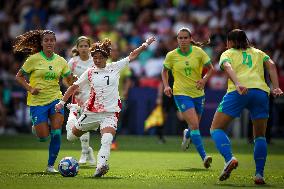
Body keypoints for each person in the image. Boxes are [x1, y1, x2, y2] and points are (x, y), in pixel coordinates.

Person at [55, 36, 156, 177]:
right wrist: (62, 103)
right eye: (94, 57)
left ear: (106, 57)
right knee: (71, 137)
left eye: (100, 58)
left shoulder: (114, 67)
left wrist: (146, 44)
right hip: (91, 113)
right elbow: (73, 87)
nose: (97, 60)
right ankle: (73, 112)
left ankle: (100, 167)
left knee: (107, 140)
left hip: (110, 113)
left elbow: (132, 55)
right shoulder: (90, 72)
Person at [210, 29, 283, 185]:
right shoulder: (257, 52)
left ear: (230, 42)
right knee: (260, 136)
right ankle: (259, 175)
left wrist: (237, 83)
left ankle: (229, 158)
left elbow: (228, 67)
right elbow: (271, 64)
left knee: (216, 128)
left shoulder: (228, 53)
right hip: (261, 93)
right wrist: (275, 87)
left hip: (239, 91)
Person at [14, 30, 73, 173]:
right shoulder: (33, 59)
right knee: (43, 136)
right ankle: (37, 128)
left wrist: (73, 79)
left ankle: (50, 166)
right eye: (46, 40)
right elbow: (19, 76)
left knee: (57, 132)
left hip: (55, 99)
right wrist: (30, 88)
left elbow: (68, 80)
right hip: (37, 102)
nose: (49, 42)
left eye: (52, 40)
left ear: (55, 42)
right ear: (41, 43)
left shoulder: (61, 61)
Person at [161, 27, 214, 169]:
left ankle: (187, 134)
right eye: (180, 38)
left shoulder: (199, 52)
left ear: (191, 39)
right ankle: (204, 157)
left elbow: (211, 69)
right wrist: (166, 86)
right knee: (195, 125)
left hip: (198, 94)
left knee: (193, 125)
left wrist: (204, 80)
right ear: (177, 40)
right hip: (181, 94)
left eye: (185, 38)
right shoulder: (171, 55)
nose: (183, 40)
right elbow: (164, 71)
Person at [66, 36, 96, 165]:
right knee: (80, 123)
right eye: (81, 46)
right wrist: (71, 88)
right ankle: (86, 151)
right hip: (77, 97)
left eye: (86, 46)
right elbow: (65, 78)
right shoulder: (72, 62)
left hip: (91, 96)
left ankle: (85, 151)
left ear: (90, 47)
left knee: (85, 123)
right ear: (77, 48)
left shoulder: (94, 61)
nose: (83, 49)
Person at [108, 44, 132, 150]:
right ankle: (107, 139)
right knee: (106, 119)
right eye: (112, 50)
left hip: (119, 97)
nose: (114, 52)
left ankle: (113, 140)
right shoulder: (105, 63)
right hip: (106, 97)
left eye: (116, 50)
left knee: (117, 120)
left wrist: (126, 90)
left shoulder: (123, 64)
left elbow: (128, 79)